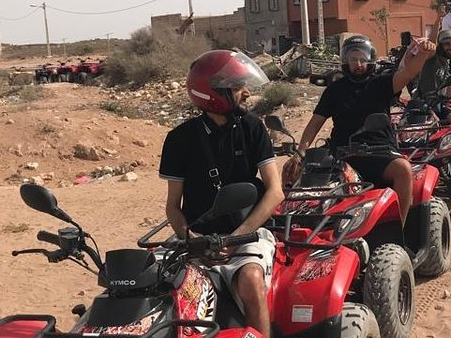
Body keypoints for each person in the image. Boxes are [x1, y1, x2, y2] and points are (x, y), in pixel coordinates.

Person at [159, 50, 284, 336]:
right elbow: (172, 207)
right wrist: (191, 239)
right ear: (212, 94)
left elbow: (275, 192)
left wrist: (235, 236)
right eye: (237, 87)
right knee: (159, 287)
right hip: (198, 241)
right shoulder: (179, 139)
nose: (247, 93)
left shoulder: (253, 127)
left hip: (246, 235)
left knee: (251, 280)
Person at [282, 34, 436, 224]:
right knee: (290, 171)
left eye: (363, 59)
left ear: (370, 60)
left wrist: (423, 54)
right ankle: (292, 229)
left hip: (379, 153)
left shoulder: (382, 83)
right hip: (341, 155)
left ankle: (399, 231)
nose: (358, 64)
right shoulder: (334, 89)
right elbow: (315, 122)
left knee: (403, 169)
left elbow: (408, 73)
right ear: (345, 61)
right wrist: (300, 152)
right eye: (353, 59)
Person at [412, 29, 451, 124]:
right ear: (440, 45)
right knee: (433, 122)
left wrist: (449, 104)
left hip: (438, 103)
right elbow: (431, 43)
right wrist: (439, 18)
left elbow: (449, 90)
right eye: (446, 44)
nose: (450, 47)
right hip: (422, 102)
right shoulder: (432, 58)